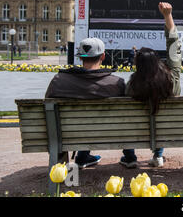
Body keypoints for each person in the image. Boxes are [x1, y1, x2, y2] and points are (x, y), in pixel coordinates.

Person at [45, 37, 125, 169]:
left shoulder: (58, 81)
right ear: (103, 56)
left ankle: (76, 163)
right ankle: (129, 157)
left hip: (68, 135)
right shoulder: (116, 84)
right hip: (110, 133)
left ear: (80, 58)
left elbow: (47, 109)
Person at [124, 2, 182, 168]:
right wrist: (167, 16)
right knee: (159, 117)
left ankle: (130, 157)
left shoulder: (131, 86)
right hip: (165, 130)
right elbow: (174, 46)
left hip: (135, 132)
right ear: (157, 62)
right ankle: (158, 155)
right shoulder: (173, 82)